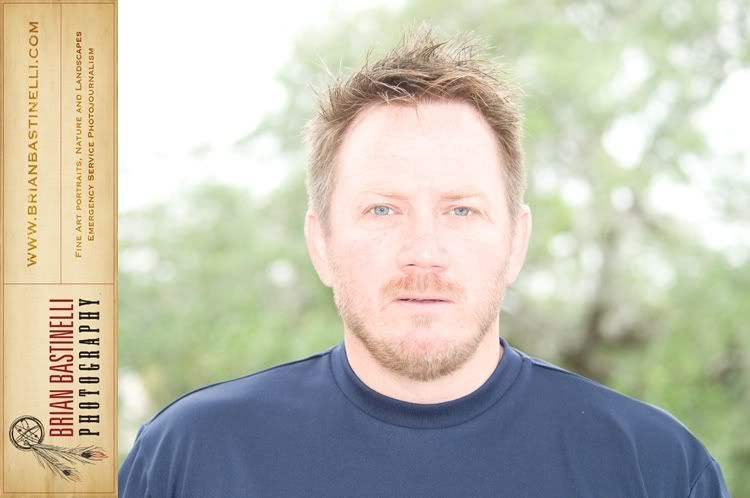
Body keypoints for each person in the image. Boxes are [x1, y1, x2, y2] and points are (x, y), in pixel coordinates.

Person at [118, 27, 731, 497]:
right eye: (383, 210)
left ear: (516, 243)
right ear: (321, 243)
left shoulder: (656, 469)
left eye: (461, 210)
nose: (424, 252)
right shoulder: (191, 457)